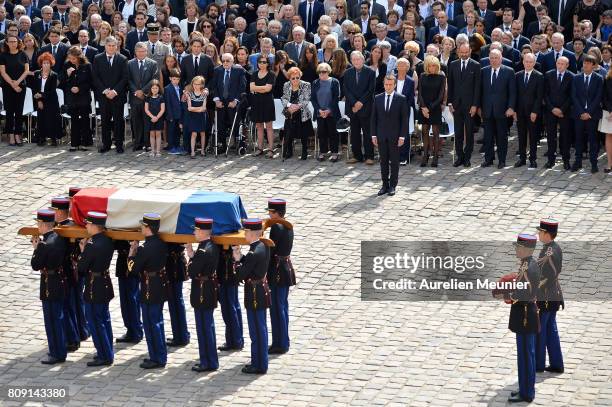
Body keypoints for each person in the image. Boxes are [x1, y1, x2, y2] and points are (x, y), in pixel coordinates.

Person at [127, 213, 169, 369]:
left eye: (143, 226)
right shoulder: (161, 243)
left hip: (149, 287)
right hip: (159, 284)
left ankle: (157, 357)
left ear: (148, 228)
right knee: (157, 321)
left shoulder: (145, 248)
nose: (141, 228)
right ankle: (158, 355)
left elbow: (133, 268)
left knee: (151, 323)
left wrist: (132, 252)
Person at [232, 218, 271, 374]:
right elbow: (250, 264)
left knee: (256, 330)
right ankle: (260, 362)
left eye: (245, 232)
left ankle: (259, 364)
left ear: (251, 233)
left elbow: (241, 274)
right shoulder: (262, 246)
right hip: (260, 290)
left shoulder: (254, 252)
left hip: (255, 293)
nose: (244, 234)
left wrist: (236, 261)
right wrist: (241, 257)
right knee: (259, 328)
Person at [77, 211, 115, 367]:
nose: (86, 225)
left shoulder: (92, 245)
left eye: (88, 223)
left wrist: (82, 250)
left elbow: (81, 267)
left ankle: (104, 355)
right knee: (104, 319)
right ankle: (108, 351)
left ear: (94, 226)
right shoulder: (108, 241)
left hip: (94, 286)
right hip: (104, 283)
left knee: (94, 320)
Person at [506, 233, 540, 403]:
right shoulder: (527, 264)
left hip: (526, 315)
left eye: (519, 247)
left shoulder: (528, 267)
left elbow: (525, 294)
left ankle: (527, 393)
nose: (516, 250)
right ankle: (524, 387)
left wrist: (509, 295)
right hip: (526, 315)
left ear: (527, 249)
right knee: (524, 354)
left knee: (526, 355)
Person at [31, 209, 68, 365]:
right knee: (58, 317)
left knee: (51, 320)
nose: (37, 226)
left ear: (42, 224)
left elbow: (35, 265)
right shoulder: (59, 238)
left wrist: (36, 248)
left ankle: (56, 352)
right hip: (59, 281)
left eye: (38, 223)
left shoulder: (44, 245)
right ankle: (60, 350)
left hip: (49, 283)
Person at [185, 217, 220, 372]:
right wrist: (192, 255)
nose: (194, 232)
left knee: (203, 327)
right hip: (209, 288)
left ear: (201, 231)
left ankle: (207, 361)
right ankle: (210, 360)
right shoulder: (211, 245)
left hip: (201, 290)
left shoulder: (203, 250)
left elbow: (192, 272)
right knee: (208, 326)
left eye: (195, 230)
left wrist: (191, 259)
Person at [535, 218, 565, 375]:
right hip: (554, 296)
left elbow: (547, 276)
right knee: (551, 329)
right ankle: (556, 363)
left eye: (540, 232)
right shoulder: (555, 247)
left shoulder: (549, 251)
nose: (538, 234)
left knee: (541, 331)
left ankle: (539, 364)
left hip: (546, 298)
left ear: (547, 234)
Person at [266, 199, 295, 355]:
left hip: (276, 271)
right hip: (285, 268)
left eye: (270, 213)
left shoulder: (276, 228)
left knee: (277, 308)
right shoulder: (287, 225)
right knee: (282, 306)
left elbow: (270, 251)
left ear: (276, 213)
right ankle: (283, 340)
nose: (269, 215)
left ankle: (280, 343)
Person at [371, 75, 408, 196]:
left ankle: (393, 185)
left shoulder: (401, 99)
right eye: (386, 84)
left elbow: (404, 119)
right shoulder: (377, 98)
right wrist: (373, 135)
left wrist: (402, 136)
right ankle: (384, 185)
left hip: (395, 136)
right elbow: (374, 118)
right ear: (383, 84)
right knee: (383, 161)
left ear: (394, 85)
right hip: (381, 136)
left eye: (390, 84)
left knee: (395, 162)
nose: (388, 87)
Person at [92, 35, 128, 154]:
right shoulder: (97, 58)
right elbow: (95, 77)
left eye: (114, 46)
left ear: (117, 46)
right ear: (105, 46)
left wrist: (114, 91)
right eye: (109, 45)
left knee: (118, 121)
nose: (111, 48)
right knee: (105, 121)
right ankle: (106, 144)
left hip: (117, 96)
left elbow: (124, 78)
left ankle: (119, 144)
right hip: (103, 96)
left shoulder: (122, 59)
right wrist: (105, 91)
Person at [480, 49, 516, 169]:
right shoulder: (484, 71)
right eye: (491, 58)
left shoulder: (509, 71)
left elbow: (513, 92)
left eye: (496, 58)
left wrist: (511, 107)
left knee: (501, 137)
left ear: (501, 58)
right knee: (488, 137)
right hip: (487, 110)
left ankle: (502, 160)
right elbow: (479, 91)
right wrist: (479, 107)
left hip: (502, 111)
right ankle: (489, 159)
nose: (494, 60)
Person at [448, 43, 481, 168]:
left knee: (469, 132)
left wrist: (475, 105)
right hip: (456, 105)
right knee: (458, 133)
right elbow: (450, 85)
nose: (464, 55)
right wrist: (450, 103)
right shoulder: (453, 65)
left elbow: (477, 87)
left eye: (466, 52)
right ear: (458, 52)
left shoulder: (476, 65)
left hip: (469, 106)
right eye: (462, 52)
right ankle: (460, 157)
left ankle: (467, 158)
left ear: (470, 51)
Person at [571, 54, 603, 174]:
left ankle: (594, 163)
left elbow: (598, 97)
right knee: (578, 139)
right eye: (584, 63)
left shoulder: (598, 78)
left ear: (593, 65)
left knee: (593, 140)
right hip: (579, 114)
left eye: (588, 63)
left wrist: (588, 112)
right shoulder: (576, 78)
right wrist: (581, 112)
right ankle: (577, 161)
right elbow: (574, 96)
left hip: (592, 115)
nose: (585, 65)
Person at [344, 51, 376, 164]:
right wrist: (354, 103)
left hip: (366, 106)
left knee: (367, 132)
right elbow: (346, 90)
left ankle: (369, 156)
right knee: (355, 133)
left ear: (363, 60)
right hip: (352, 108)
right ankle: (357, 156)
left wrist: (360, 102)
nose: (356, 61)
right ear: (351, 61)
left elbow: (371, 89)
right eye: (354, 60)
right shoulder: (347, 73)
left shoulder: (371, 72)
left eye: (358, 59)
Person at [128, 41, 160, 152]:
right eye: (139, 51)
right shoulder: (129, 63)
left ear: (147, 52)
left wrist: (143, 91)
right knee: (136, 121)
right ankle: (137, 143)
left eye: (144, 51)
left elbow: (154, 79)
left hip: (148, 98)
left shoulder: (153, 63)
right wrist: (136, 92)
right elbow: (128, 80)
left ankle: (147, 143)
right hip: (135, 97)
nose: (141, 53)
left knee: (147, 121)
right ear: (135, 52)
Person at [544, 56, 574, 170]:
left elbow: (571, 96)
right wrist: (552, 109)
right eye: (558, 63)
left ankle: (566, 160)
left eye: (563, 64)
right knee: (551, 136)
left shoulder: (571, 77)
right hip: (550, 110)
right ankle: (551, 160)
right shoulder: (548, 75)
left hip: (564, 112)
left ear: (567, 65)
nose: (560, 65)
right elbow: (545, 94)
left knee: (565, 136)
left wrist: (562, 110)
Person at [514, 53, 544, 169]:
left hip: (532, 112)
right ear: (523, 62)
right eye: (526, 61)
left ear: (534, 63)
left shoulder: (539, 76)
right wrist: (515, 111)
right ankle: (522, 158)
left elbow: (539, 96)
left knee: (533, 136)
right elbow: (515, 95)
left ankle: (533, 159)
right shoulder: (517, 75)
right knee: (521, 136)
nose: (528, 64)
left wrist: (535, 111)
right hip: (520, 111)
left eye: (531, 62)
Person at [212, 53, 247, 152]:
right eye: (223, 61)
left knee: (235, 123)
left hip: (233, 101)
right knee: (220, 123)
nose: (225, 63)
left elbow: (242, 87)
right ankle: (222, 144)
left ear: (232, 61)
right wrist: (216, 99)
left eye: (228, 61)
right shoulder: (217, 70)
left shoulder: (239, 71)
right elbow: (213, 86)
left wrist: (236, 100)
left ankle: (238, 143)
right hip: (221, 102)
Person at [60, 46, 93, 152]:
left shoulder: (87, 66)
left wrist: (79, 88)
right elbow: (63, 82)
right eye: (70, 58)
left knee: (84, 120)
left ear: (79, 57)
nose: (71, 60)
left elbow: (90, 82)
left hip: (84, 96)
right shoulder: (66, 65)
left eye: (73, 58)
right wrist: (68, 75)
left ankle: (85, 142)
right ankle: (74, 143)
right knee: (74, 120)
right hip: (72, 97)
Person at [0, 35, 29, 147]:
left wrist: (17, 82)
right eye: (11, 42)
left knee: (19, 111)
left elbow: (26, 71)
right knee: (9, 111)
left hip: (21, 86)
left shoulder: (23, 54)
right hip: (8, 87)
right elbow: (3, 72)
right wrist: (13, 84)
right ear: (6, 43)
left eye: (15, 41)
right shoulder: (3, 56)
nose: (13, 43)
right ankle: (11, 135)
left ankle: (18, 134)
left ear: (18, 42)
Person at [417, 55, 446, 168]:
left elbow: (441, 95)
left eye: (434, 65)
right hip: (424, 107)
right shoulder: (422, 76)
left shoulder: (441, 77)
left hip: (435, 108)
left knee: (435, 132)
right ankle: (425, 155)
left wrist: (430, 108)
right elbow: (420, 93)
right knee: (424, 130)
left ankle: (435, 156)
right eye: (430, 66)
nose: (432, 68)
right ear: (426, 66)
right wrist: (423, 108)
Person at [29, 52, 63, 146]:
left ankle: (53, 138)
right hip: (40, 100)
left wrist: (41, 95)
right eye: (44, 63)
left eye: (48, 63)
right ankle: (41, 137)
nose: (46, 65)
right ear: (41, 64)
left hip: (51, 100)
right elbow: (35, 88)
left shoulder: (54, 75)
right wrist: (39, 100)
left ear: (51, 64)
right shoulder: (36, 74)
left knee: (52, 119)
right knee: (41, 119)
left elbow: (52, 91)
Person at [311, 62, 341, 162]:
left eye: (324, 72)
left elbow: (336, 98)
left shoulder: (334, 82)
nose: (321, 74)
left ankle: (334, 153)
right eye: (319, 72)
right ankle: (323, 152)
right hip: (320, 113)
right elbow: (313, 99)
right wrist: (319, 110)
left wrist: (329, 110)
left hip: (331, 112)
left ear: (328, 72)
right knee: (321, 133)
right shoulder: (315, 83)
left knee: (333, 133)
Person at [281, 67, 313, 160]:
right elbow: (284, 98)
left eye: (297, 77)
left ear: (300, 76)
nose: (295, 80)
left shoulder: (306, 85)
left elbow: (306, 99)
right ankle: (289, 151)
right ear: (289, 78)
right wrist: (290, 105)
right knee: (289, 133)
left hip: (302, 113)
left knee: (304, 134)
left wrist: (297, 106)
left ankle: (304, 151)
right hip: (290, 112)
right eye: (293, 78)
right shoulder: (286, 85)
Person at [164, 241, 190, 348]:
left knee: (176, 301)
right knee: (174, 301)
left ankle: (181, 336)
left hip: (175, 263)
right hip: (172, 262)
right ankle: (179, 334)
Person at [250, 56, 276, 157]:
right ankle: (260, 148)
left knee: (269, 126)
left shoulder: (271, 74)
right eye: (260, 62)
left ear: (268, 63)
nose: (262, 64)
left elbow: (268, 89)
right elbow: (251, 88)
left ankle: (270, 150)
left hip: (267, 102)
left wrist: (257, 88)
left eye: (264, 62)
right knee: (259, 126)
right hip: (256, 102)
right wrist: (262, 88)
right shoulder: (254, 74)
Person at [395, 58, 415, 166]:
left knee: (404, 134)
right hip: (391, 111)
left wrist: (402, 110)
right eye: (400, 65)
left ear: (407, 68)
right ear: (397, 67)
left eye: (404, 66)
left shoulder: (410, 81)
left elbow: (410, 99)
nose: (402, 68)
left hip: (404, 111)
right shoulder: (391, 78)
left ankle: (403, 157)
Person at [185, 75, 208, 158]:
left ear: (202, 85)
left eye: (198, 84)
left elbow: (204, 108)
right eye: (194, 84)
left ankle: (202, 150)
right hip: (193, 116)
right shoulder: (190, 94)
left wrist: (197, 109)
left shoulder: (204, 94)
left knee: (202, 133)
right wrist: (199, 109)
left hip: (202, 116)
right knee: (194, 134)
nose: (196, 86)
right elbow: (189, 108)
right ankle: (192, 151)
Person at [164, 68, 184, 155]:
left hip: (179, 114)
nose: (176, 81)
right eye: (174, 79)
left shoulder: (180, 88)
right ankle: (171, 146)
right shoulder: (167, 89)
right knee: (171, 131)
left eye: (178, 79)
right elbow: (167, 103)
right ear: (170, 78)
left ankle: (177, 145)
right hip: (171, 114)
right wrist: (170, 115)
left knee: (178, 131)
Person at [144, 79, 166, 157]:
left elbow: (163, 109)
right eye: (153, 88)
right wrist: (152, 117)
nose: (154, 90)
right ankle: (152, 150)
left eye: (156, 88)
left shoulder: (161, 98)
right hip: (150, 119)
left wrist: (157, 117)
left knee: (158, 134)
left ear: (159, 88)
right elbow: (146, 109)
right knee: (152, 134)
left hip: (159, 118)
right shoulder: (147, 98)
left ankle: (158, 151)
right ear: (150, 89)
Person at [601, 67, 612, 173]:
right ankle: (609, 163)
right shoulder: (607, 78)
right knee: (608, 136)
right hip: (608, 112)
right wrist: (610, 110)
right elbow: (604, 96)